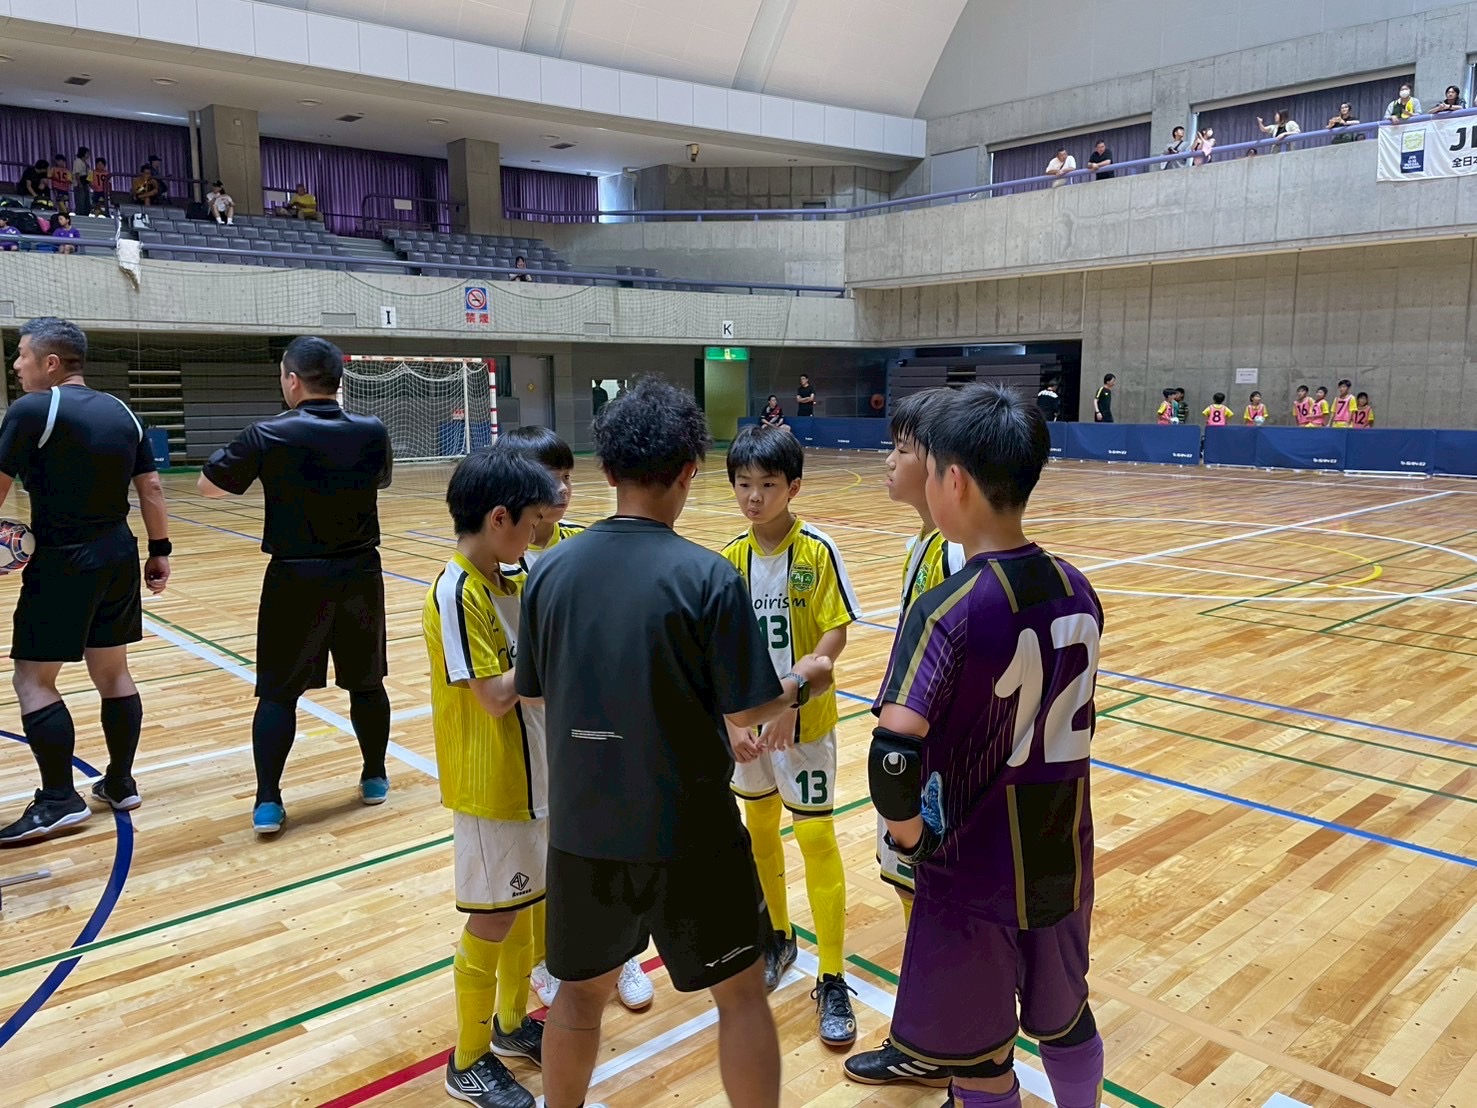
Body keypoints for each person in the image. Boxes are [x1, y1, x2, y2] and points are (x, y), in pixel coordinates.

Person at [515, 377, 834, 1108]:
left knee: (578, 998)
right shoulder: (706, 576)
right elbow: (751, 705)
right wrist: (805, 678)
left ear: (604, 470)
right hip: (692, 831)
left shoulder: (549, 571)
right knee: (741, 996)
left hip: (584, 828)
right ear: (691, 470)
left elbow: (532, 693)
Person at [867, 382, 1105, 1108]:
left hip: (974, 867)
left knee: (978, 1059)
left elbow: (893, 753)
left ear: (955, 482)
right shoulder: (1077, 587)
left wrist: (910, 837)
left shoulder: (950, 607)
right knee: (1066, 1017)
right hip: (1061, 849)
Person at [197, 336, 394, 834]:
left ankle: (268, 800)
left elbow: (209, 487)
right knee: (367, 682)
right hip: (360, 572)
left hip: (296, 576)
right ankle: (374, 776)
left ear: (291, 380)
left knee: (279, 693)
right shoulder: (372, 430)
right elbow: (381, 480)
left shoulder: (267, 433)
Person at [499, 424, 655, 1015]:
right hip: (527, 723)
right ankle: (546, 957)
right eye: (549, 479)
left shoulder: (586, 547)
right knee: (544, 846)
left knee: (608, 831)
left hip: (591, 719)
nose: (562, 490)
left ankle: (623, 950)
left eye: (567, 477)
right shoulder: (499, 559)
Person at [425, 447, 562, 1108]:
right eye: (531, 522)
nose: (537, 535)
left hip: (535, 776)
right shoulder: (457, 592)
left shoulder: (514, 577)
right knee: (493, 919)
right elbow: (494, 695)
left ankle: (510, 1025)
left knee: (524, 910)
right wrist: (559, 653)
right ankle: (468, 1059)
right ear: (499, 517)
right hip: (491, 786)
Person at [0, 317, 171, 844]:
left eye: (22, 355)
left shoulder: (32, 409)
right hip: (119, 555)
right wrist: (160, 550)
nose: (16, 365)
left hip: (62, 561)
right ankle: (120, 783)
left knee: (32, 678)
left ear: (50, 363)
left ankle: (58, 800)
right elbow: (152, 489)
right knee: (113, 672)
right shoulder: (123, 412)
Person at [722, 425, 861, 1045]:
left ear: (793, 487)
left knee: (816, 836)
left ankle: (832, 974)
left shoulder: (817, 551)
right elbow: (717, 652)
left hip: (805, 725)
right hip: (747, 729)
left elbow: (834, 637)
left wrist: (790, 700)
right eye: (743, 484)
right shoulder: (729, 559)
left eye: (768, 485)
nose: (754, 497)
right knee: (759, 830)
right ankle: (778, 935)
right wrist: (733, 722)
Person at [845, 389, 964, 1092]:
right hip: (919, 762)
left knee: (939, 909)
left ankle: (949, 1051)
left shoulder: (954, 554)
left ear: (942, 464)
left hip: (937, 769)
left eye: (900, 448)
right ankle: (930, 1037)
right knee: (915, 900)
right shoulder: (923, 543)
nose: (887, 461)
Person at [72, 148, 92, 217]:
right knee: (80, 200)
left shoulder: (85, 163)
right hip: (80, 182)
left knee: (86, 199)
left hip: (85, 182)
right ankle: (80, 214)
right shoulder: (78, 161)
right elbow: (77, 173)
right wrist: (79, 183)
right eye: (87, 153)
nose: (88, 155)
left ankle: (86, 213)